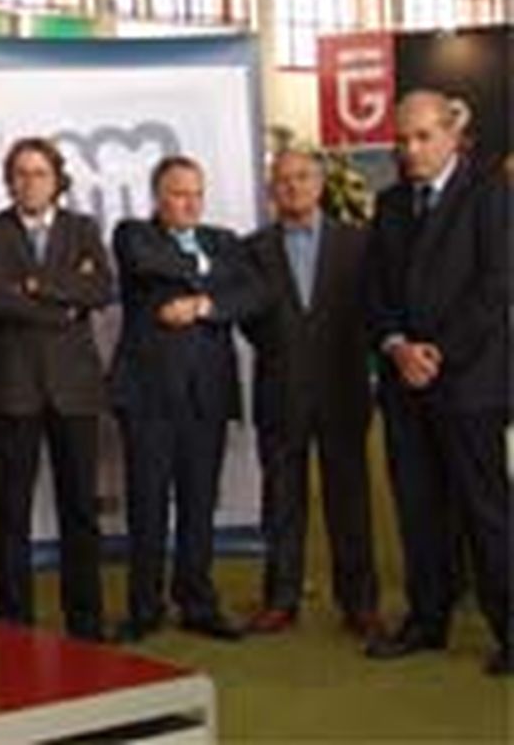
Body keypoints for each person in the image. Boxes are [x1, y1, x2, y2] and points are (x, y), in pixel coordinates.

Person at [365, 90, 510, 675]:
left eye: (423, 137)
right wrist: (397, 346)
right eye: (402, 140)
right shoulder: (390, 204)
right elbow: (374, 290)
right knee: (418, 508)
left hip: (471, 384)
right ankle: (427, 620)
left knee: (485, 511)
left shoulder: (491, 195)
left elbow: (496, 286)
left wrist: (439, 352)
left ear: (452, 135)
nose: (411, 150)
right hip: (404, 384)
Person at [110, 155, 265, 642]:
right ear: (158, 197)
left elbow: (255, 293)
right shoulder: (133, 234)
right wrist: (210, 273)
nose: (191, 203)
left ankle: (197, 601)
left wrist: (202, 304)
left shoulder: (224, 240)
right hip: (148, 397)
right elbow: (149, 264)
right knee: (148, 505)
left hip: (207, 396)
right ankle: (144, 607)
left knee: (199, 505)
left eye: (197, 194)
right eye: (179, 194)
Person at [0, 137, 114, 641]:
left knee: (80, 510)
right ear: (9, 181)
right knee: (9, 512)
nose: (29, 182)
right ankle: (14, 622)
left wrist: (37, 286)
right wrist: (64, 305)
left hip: (74, 387)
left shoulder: (83, 228)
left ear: (57, 180)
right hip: (13, 387)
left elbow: (102, 290)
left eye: (39, 173)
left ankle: (86, 621)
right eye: (20, 173)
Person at [239, 149, 379, 637]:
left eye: (302, 177)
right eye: (283, 179)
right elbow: (250, 319)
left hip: (343, 389)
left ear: (320, 184)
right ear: (271, 190)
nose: (293, 186)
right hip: (280, 390)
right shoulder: (252, 249)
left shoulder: (357, 243)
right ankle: (281, 599)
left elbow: (370, 311)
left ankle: (359, 603)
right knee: (281, 501)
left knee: (350, 500)